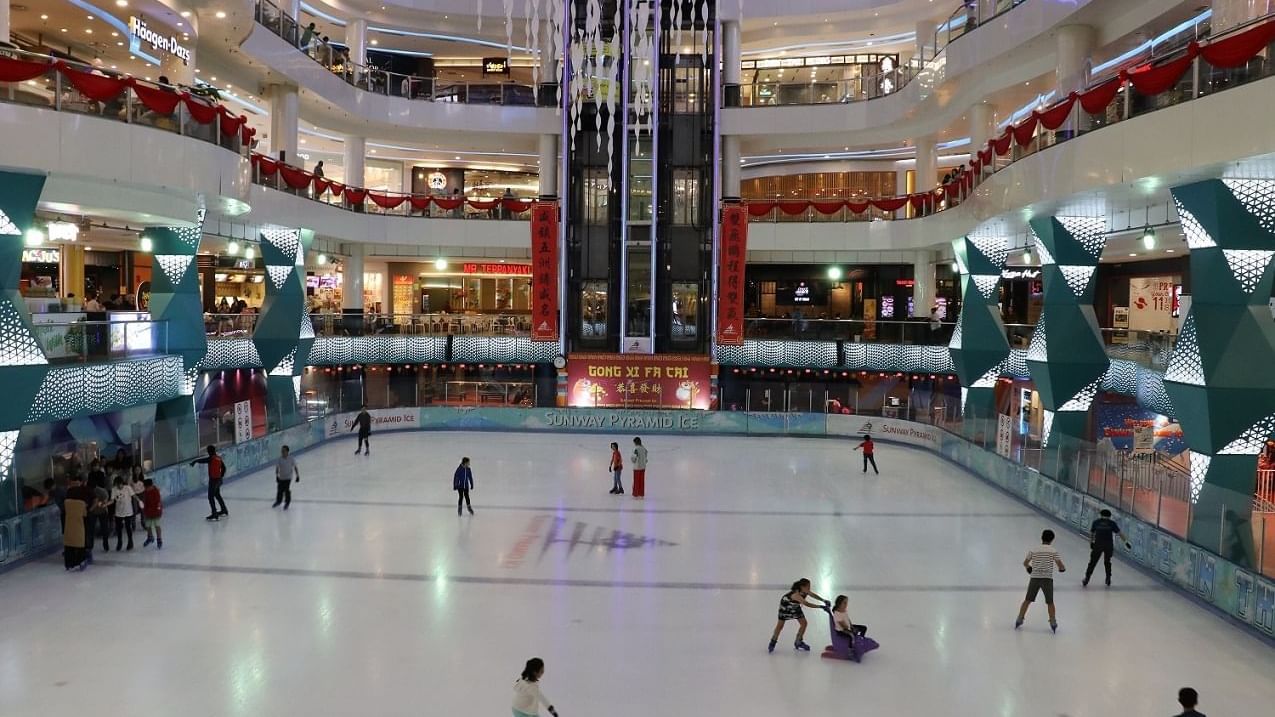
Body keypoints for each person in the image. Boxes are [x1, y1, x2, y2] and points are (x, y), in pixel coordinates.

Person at [1015, 529, 1066, 632]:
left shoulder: (1034, 549)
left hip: (1035, 578)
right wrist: (1062, 569)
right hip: (1047, 579)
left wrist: (1029, 568)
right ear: (1052, 540)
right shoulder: (1053, 551)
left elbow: (1025, 563)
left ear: (1041, 537)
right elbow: (1060, 565)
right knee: (1050, 602)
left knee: (1028, 600)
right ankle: (1052, 621)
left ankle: (1020, 618)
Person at [768, 578, 828, 653]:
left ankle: (798, 641)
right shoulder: (796, 595)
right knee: (780, 626)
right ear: (802, 587)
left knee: (804, 623)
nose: (809, 588)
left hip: (795, 606)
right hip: (786, 606)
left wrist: (823, 600)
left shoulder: (805, 591)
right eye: (808, 586)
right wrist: (820, 607)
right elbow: (806, 604)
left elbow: (813, 595)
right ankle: (773, 641)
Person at [1083, 508, 1131, 587]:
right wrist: (1126, 542)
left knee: (1092, 562)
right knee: (1107, 562)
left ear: (1101, 515)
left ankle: (1087, 578)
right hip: (1108, 545)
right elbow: (1120, 533)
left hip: (1098, 545)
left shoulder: (1096, 522)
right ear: (1109, 516)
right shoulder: (1112, 523)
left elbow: (1092, 533)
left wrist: (1091, 542)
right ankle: (1108, 578)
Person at [190, 445, 229, 521]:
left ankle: (214, 513)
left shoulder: (211, 458)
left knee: (210, 496)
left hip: (213, 480)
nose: (208, 452)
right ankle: (224, 509)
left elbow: (203, 460)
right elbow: (224, 468)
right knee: (217, 495)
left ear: (210, 451)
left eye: (208, 451)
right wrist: (221, 476)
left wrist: (195, 461)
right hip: (219, 480)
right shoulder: (218, 458)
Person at [62, 476, 90, 571]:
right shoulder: (81, 504)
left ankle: (69, 564)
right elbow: (85, 514)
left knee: (69, 544)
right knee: (79, 544)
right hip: (79, 525)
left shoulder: (66, 502)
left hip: (69, 526)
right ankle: (80, 561)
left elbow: (64, 511)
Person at [110, 476, 135, 551]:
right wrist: (105, 504)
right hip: (118, 512)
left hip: (128, 511)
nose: (118, 486)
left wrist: (139, 501)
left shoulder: (127, 488)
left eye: (119, 484)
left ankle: (130, 542)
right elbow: (112, 500)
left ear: (122, 483)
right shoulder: (114, 489)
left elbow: (134, 495)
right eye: (117, 485)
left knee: (128, 527)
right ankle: (119, 542)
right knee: (119, 528)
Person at [273, 445, 300, 509]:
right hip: (281, 477)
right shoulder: (279, 459)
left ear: (287, 451)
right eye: (282, 451)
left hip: (288, 477)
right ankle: (278, 501)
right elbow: (277, 468)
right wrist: (277, 476)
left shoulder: (291, 458)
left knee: (286, 489)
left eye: (284, 451)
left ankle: (287, 502)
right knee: (280, 490)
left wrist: (297, 476)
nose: (282, 452)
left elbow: (295, 467)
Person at [140, 478, 163, 549]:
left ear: (150, 486)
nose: (145, 489)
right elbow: (144, 502)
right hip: (148, 512)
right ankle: (150, 537)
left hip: (156, 512)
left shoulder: (156, 491)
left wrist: (158, 510)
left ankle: (159, 539)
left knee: (157, 525)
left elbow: (158, 502)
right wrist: (144, 509)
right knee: (148, 526)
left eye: (146, 487)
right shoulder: (145, 492)